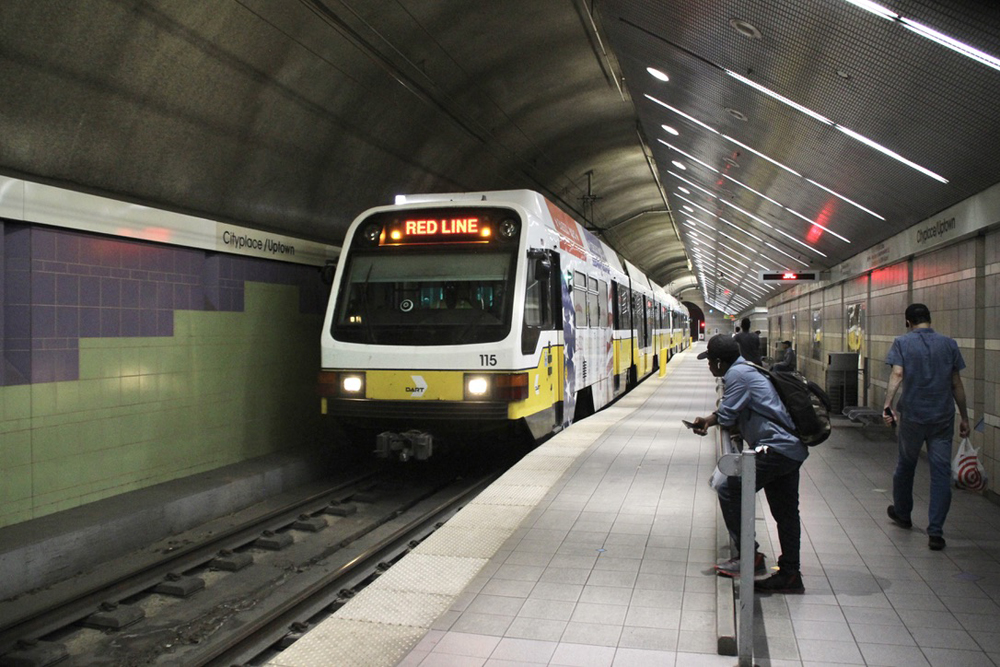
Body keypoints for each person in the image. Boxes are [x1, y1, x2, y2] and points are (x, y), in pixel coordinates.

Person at [689, 334, 808, 594]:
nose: (709, 367)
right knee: (786, 513)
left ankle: (749, 556)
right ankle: (790, 574)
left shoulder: (736, 376)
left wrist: (712, 421)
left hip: (773, 448)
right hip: (789, 447)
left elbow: (729, 413)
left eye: (710, 362)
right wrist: (713, 421)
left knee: (730, 489)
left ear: (720, 363)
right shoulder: (747, 368)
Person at [883, 303, 970, 550]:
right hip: (942, 417)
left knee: (905, 465)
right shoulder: (949, 344)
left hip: (912, 415)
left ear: (908, 322)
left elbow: (897, 374)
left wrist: (888, 404)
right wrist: (964, 417)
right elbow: (956, 384)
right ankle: (936, 532)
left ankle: (903, 513)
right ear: (929, 320)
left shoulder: (902, 342)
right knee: (941, 472)